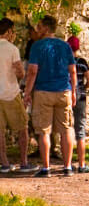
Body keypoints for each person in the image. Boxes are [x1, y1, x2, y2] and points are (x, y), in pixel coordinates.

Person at [23, 15, 76, 177]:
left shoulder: (37, 46)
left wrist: (27, 92)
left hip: (43, 92)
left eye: (39, 27)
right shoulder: (65, 46)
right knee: (66, 129)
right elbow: (72, 70)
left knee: (44, 131)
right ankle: (67, 167)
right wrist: (73, 91)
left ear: (46, 28)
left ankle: (46, 168)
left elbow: (32, 71)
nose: (37, 30)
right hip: (63, 90)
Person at [0, 18, 22, 173]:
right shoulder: (12, 49)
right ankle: (24, 161)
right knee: (22, 127)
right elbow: (19, 72)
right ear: (8, 32)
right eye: (13, 31)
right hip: (11, 92)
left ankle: (4, 162)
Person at [65, 35, 89, 175]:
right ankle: (81, 164)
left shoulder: (64, 61)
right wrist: (84, 87)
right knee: (80, 130)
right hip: (80, 97)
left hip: (66, 95)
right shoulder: (82, 62)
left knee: (66, 129)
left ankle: (67, 164)